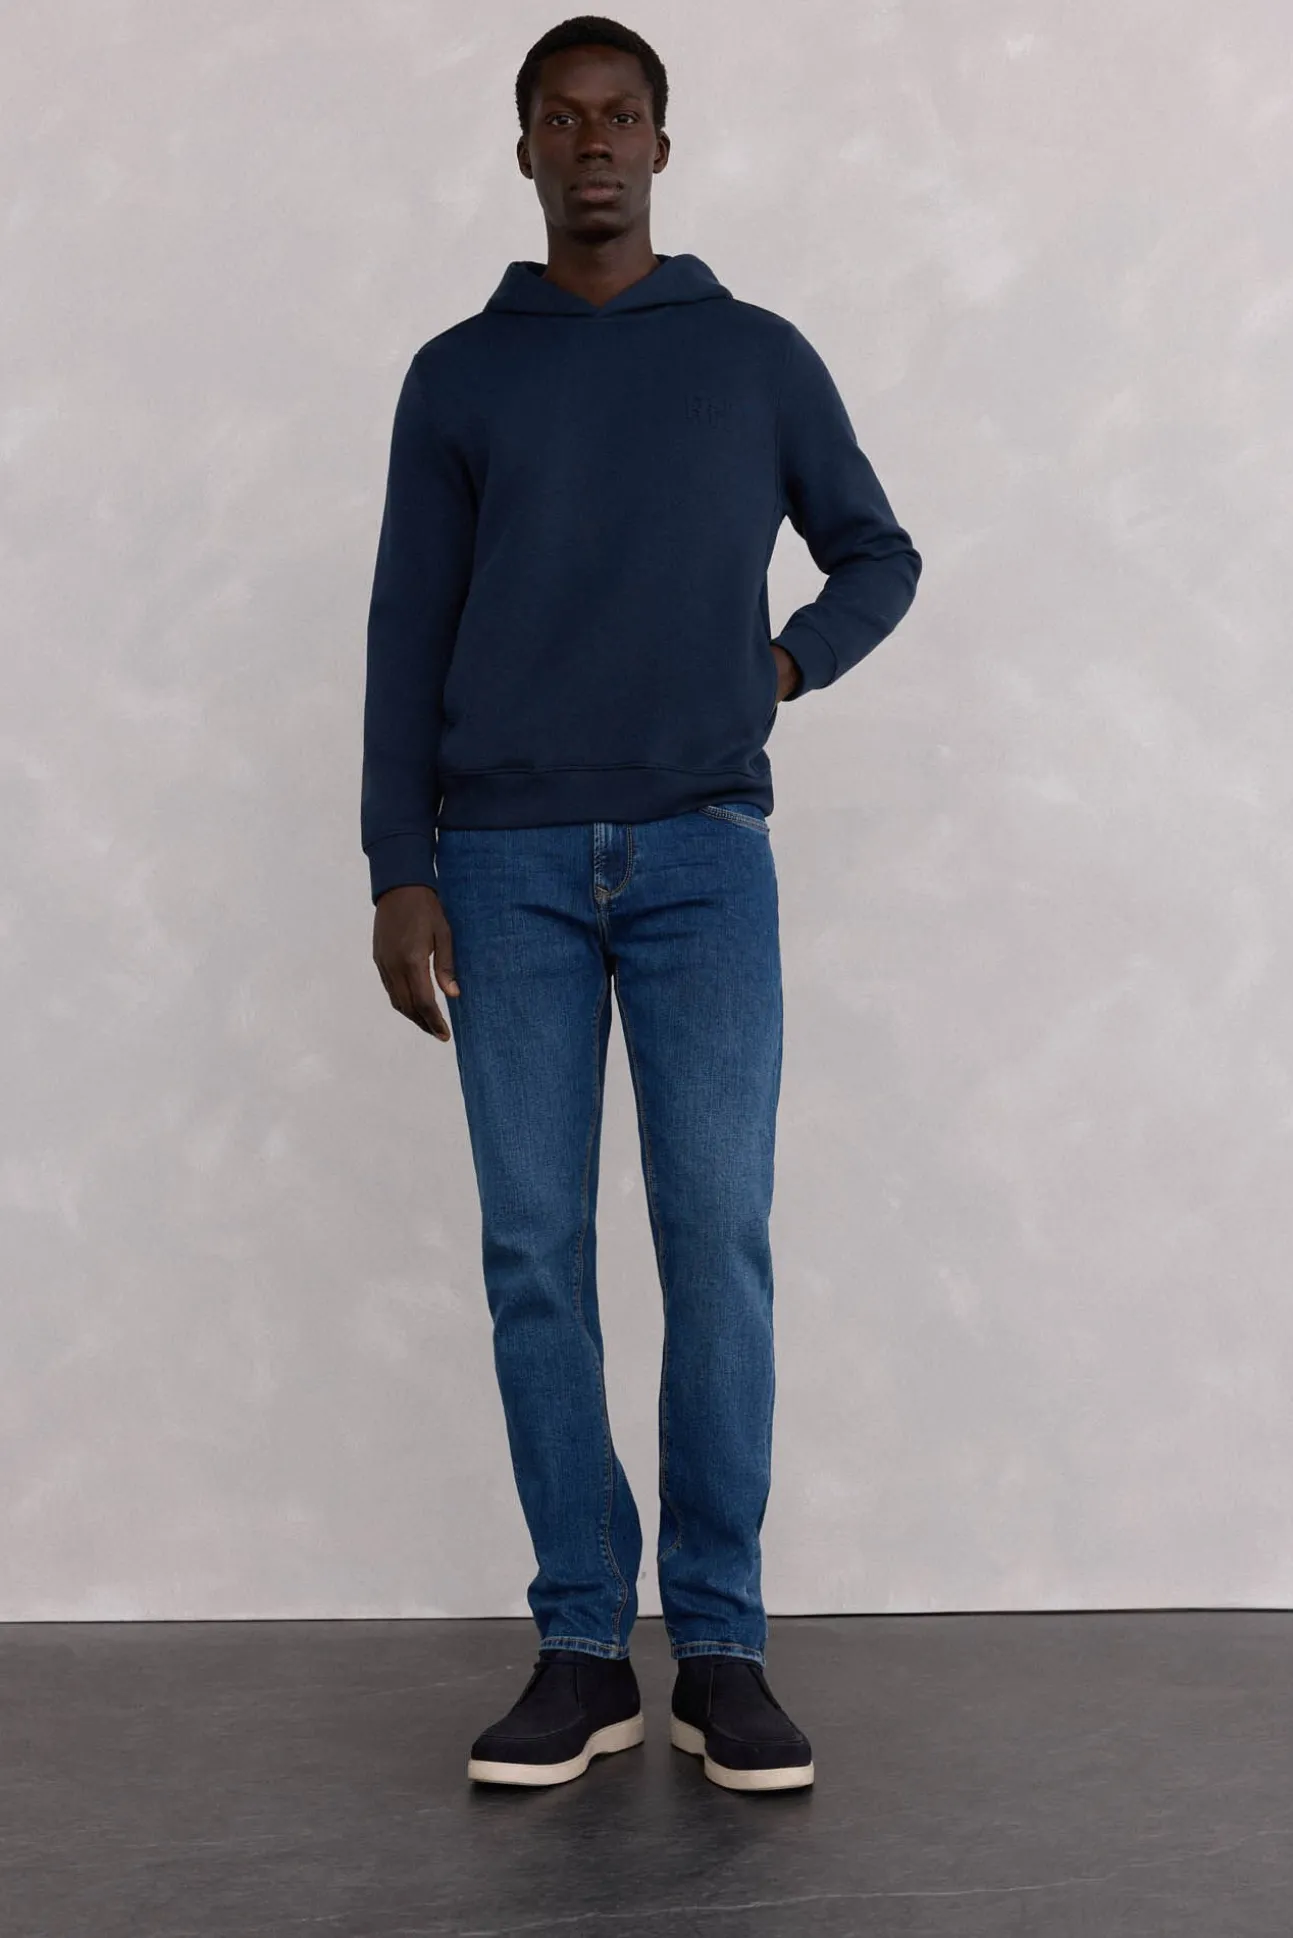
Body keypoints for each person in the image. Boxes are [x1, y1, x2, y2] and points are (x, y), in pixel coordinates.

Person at [361, 16, 921, 1794]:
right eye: (561, 116)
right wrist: (397, 864)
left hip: (701, 859)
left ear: (664, 148)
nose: (592, 141)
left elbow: (878, 550)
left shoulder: (753, 357)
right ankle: (586, 1644)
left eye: (621, 116)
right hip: (503, 867)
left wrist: (782, 665)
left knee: (714, 1240)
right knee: (537, 1249)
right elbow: (404, 631)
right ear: (523, 150)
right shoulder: (459, 377)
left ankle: (724, 1646)